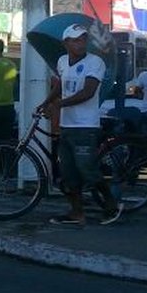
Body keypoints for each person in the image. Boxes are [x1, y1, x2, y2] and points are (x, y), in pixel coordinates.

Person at [37, 24, 121, 226]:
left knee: (87, 168)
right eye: (75, 40)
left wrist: (59, 104)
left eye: (83, 39)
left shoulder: (95, 62)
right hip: (67, 124)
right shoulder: (62, 61)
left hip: (85, 125)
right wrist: (46, 102)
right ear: (66, 43)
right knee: (68, 172)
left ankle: (111, 205)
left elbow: (88, 92)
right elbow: (60, 85)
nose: (80, 43)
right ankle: (76, 212)